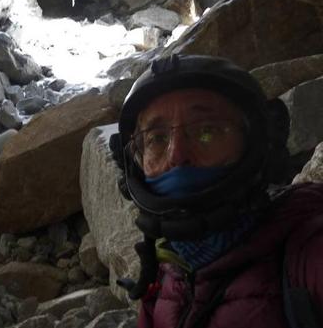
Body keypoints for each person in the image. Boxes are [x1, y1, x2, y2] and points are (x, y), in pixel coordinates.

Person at [110, 54, 323, 328]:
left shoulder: (308, 251)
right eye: (158, 138)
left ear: (255, 143)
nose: (177, 155)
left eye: (206, 132)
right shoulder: (165, 270)